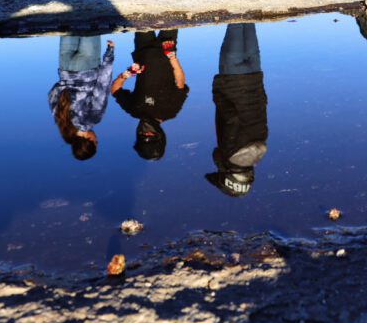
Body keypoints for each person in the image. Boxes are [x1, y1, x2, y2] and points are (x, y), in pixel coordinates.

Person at [205, 22, 269, 197]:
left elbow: (262, 107)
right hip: (232, 79)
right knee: (234, 21)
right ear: (226, 174)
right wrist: (217, 93)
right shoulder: (230, 151)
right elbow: (230, 117)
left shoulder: (258, 149)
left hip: (254, 75)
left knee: (248, 20)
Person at [112, 30, 189, 160]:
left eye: (142, 136)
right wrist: (171, 56)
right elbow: (180, 83)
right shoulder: (170, 111)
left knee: (141, 15)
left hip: (142, 50)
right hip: (166, 47)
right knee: (171, 14)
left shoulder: (134, 110)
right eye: (151, 135)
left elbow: (115, 90)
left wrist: (127, 73)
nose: (146, 132)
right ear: (159, 135)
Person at [48, 35, 127, 160]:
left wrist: (109, 55)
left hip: (87, 66)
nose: (97, 139)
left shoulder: (91, 119)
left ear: (90, 141)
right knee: (68, 22)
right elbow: (52, 94)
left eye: (96, 142)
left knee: (91, 27)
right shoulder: (62, 122)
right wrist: (66, 82)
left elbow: (103, 85)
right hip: (64, 67)